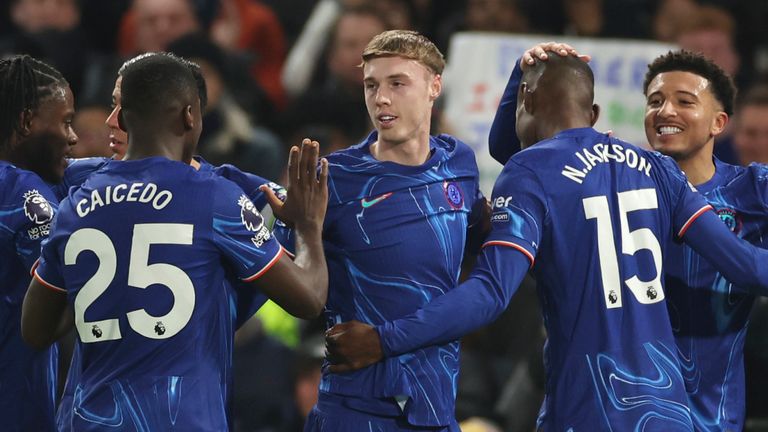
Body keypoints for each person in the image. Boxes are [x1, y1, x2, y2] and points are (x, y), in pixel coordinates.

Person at [324, 51, 768, 430]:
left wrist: (384, 340)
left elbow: (491, 293)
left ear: (526, 100)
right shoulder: (657, 170)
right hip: (668, 411)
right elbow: (747, 266)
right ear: (592, 114)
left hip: (590, 406)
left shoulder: (530, 172)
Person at [21, 53, 329, 430]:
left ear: (123, 117)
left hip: (90, 419)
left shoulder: (76, 203)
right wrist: (308, 226)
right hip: (182, 419)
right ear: (189, 115)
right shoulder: (216, 197)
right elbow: (310, 299)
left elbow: (35, 330)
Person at [269, 30, 487, 431]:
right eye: (371, 85)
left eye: (397, 83)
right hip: (355, 409)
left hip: (436, 408)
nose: (381, 98)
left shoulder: (459, 162)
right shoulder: (334, 178)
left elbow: (478, 238)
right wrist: (302, 230)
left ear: (434, 86)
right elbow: (292, 290)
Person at [643, 50, 766, 431]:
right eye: (655, 101)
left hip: (712, 415)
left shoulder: (752, 190)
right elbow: (514, 154)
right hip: (630, 405)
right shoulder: (620, 183)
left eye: (684, 101)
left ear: (719, 122)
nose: (665, 111)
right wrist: (522, 81)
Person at [0, 54, 77, 432]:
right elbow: (65, 291)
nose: (73, 136)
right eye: (65, 121)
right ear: (27, 121)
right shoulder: (19, 191)